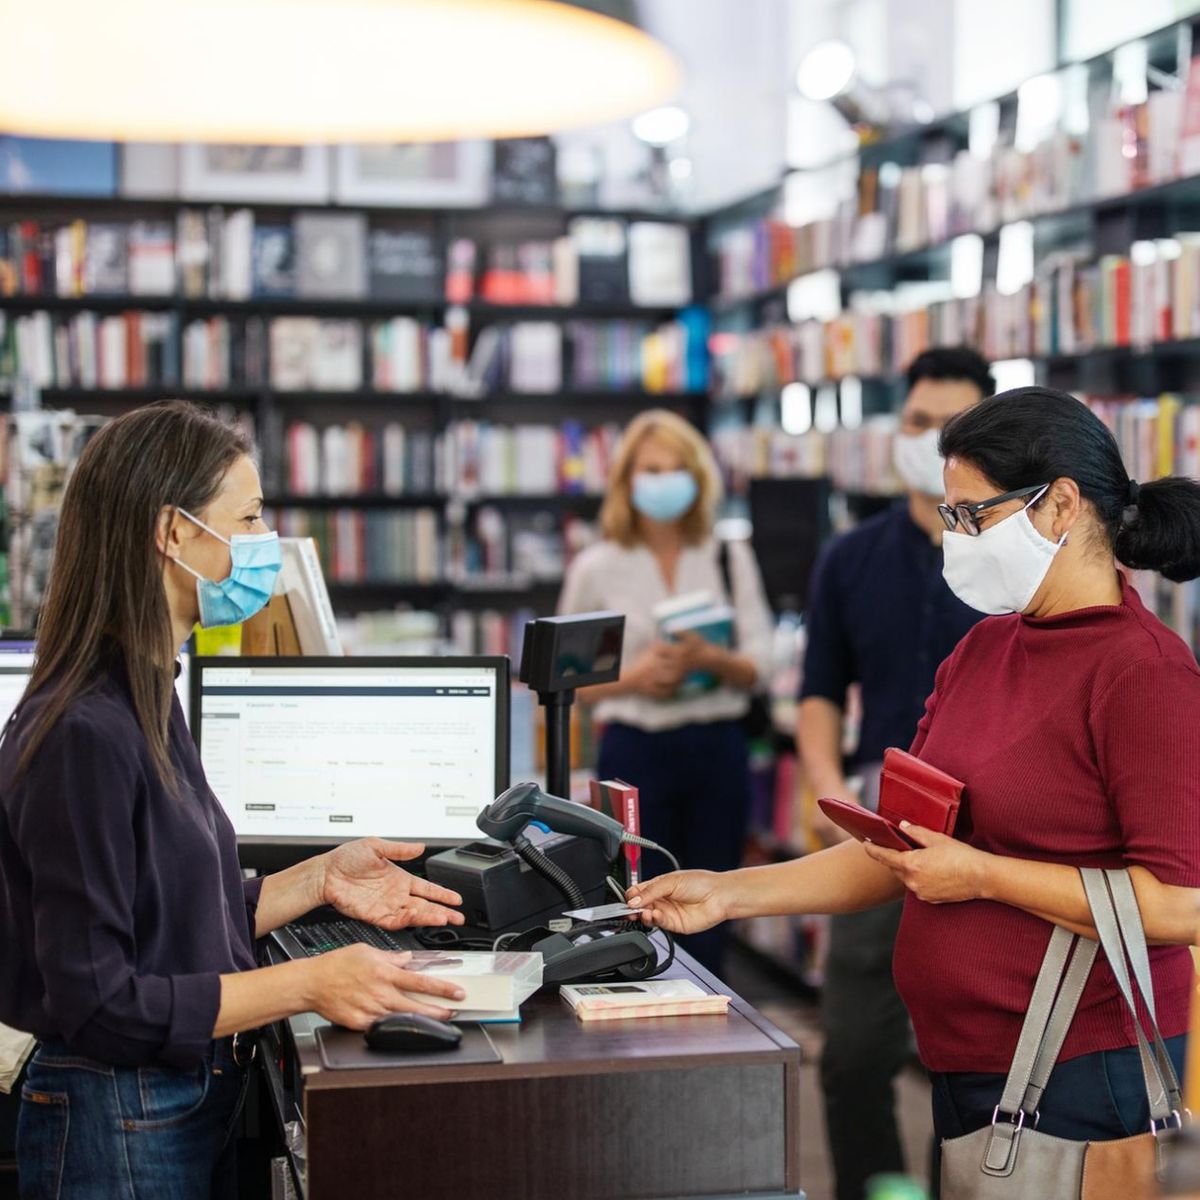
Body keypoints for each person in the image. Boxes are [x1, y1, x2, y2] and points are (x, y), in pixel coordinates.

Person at [629, 387, 1200, 1178]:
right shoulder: (984, 650)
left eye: (972, 515)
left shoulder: (1145, 672)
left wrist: (982, 877)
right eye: (949, 516)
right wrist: (731, 892)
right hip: (972, 1067)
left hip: (1080, 1068)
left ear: (1061, 505)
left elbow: (1178, 905)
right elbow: (900, 846)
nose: (955, 537)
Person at [0, 402, 469, 1200]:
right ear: (172, 533)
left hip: (169, 1105)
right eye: (248, 517)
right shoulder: (86, 729)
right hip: (120, 1118)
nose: (265, 543)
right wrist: (310, 983)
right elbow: (100, 1001)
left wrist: (319, 880)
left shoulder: (147, 690)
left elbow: (164, 918)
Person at [799, 347, 992, 1200]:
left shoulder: (1011, 563)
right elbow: (815, 694)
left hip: (995, 847)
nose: (931, 441)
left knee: (972, 1068)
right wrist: (818, 790)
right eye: (918, 423)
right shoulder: (848, 558)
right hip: (875, 840)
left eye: (954, 427)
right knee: (852, 1054)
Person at [558, 408, 774, 973]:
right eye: (649, 469)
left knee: (716, 901)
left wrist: (711, 660)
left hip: (717, 748)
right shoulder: (596, 567)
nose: (662, 481)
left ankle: (713, 1024)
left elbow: (763, 665)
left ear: (698, 479)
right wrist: (636, 679)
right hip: (635, 752)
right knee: (633, 905)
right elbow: (564, 683)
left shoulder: (729, 553)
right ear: (627, 478)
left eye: (676, 468)